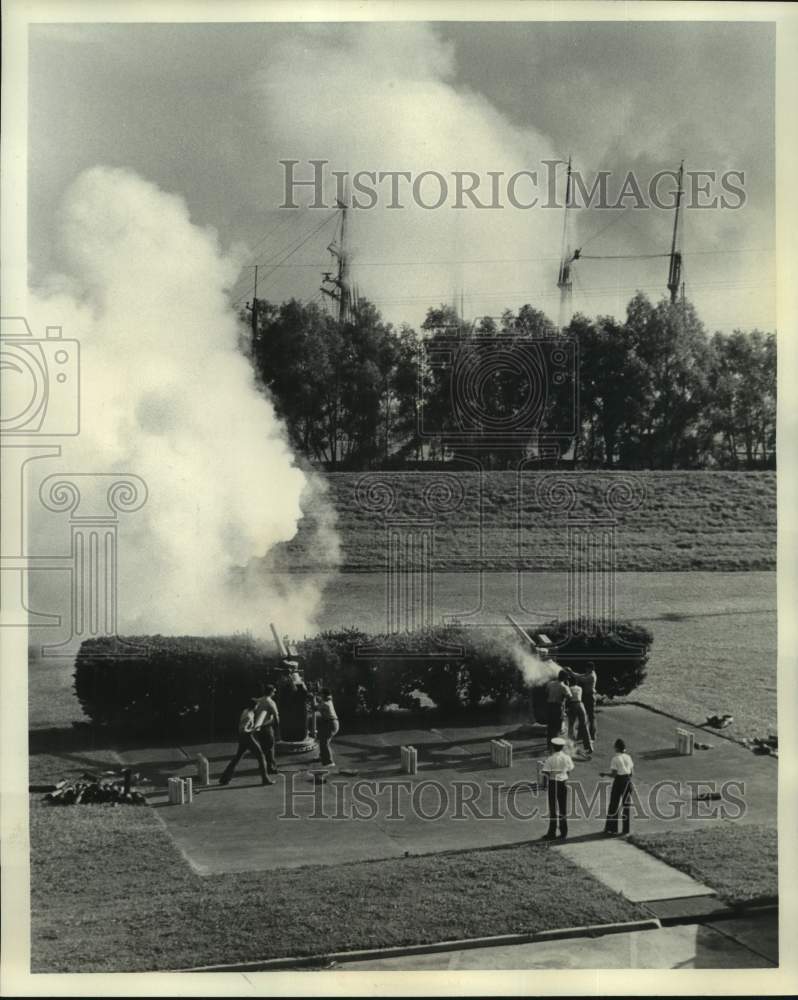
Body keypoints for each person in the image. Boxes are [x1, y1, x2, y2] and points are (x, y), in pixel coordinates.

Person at [219, 697, 275, 786]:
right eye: (257, 705)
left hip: (243, 737)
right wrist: (254, 729)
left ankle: (224, 779)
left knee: (237, 757)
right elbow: (243, 729)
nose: (258, 706)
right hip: (247, 737)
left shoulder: (247, 711)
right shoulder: (249, 715)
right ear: (254, 706)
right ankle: (265, 779)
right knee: (261, 756)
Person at [540, 736, 574, 840]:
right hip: (563, 783)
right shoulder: (567, 757)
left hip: (553, 783)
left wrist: (544, 785)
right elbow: (570, 769)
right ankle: (564, 832)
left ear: (553, 747)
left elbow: (545, 773)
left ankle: (552, 832)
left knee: (553, 809)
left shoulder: (550, 759)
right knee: (563, 808)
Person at [601, 738, 634, 835]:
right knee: (626, 806)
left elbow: (614, 774)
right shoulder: (628, 757)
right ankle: (625, 830)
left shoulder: (615, 759)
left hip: (619, 781)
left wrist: (604, 774)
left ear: (616, 748)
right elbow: (632, 772)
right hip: (628, 781)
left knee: (613, 805)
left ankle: (611, 828)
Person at [567, 662, 598, 740]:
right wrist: (572, 672)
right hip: (588, 696)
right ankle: (583, 735)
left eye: (587, 668)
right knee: (585, 716)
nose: (586, 670)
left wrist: (571, 672)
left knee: (590, 717)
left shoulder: (591, 676)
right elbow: (580, 675)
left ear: (591, 669)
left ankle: (592, 735)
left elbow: (581, 679)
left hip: (590, 696)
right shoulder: (589, 673)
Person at [254, 684, 280, 775]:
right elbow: (276, 717)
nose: (275, 693)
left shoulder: (258, 700)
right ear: (271, 692)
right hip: (267, 727)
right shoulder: (271, 702)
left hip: (258, 727)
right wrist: (277, 728)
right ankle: (270, 767)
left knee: (262, 747)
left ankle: (262, 765)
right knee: (270, 748)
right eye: (274, 691)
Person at [313, 688, 339, 767]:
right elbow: (320, 702)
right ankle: (322, 756)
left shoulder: (325, 704)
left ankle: (329, 762)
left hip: (331, 724)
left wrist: (313, 698)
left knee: (324, 743)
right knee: (322, 740)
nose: (319, 696)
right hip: (331, 723)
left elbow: (315, 707)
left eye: (321, 694)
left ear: (324, 695)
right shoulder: (328, 701)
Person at [566, 683, 594, 758]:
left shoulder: (569, 688)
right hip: (581, 704)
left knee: (571, 726)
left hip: (573, 705)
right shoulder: (579, 688)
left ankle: (572, 746)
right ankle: (589, 746)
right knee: (584, 725)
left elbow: (568, 698)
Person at [544, 670, 572, 743]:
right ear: (565, 678)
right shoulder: (564, 687)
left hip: (549, 707)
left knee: (550, 727)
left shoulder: (550, 684)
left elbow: (546, 693)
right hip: (557, 707)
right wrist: (568, 686)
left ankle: (549, 745)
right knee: (557, 728)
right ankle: (555, 747)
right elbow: (570, 697)